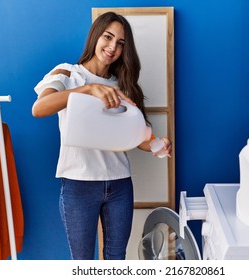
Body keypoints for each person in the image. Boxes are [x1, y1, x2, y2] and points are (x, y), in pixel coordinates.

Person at [32, 11, 172, 260]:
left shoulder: (123, 85)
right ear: (95, 35)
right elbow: (39, 108)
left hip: (119, 184)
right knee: (83, 263)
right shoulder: (68, 74)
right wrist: (88, 89)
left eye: (120, 43)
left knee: (116, 260)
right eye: (108, 37)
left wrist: (156, 145)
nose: (112, 47)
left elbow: (137, 138)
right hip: (78, 185)